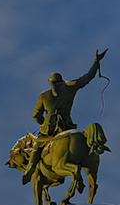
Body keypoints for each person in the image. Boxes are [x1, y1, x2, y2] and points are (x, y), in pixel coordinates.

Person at [22, 49, 107, 183]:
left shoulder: (44, 96)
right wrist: (96, 62)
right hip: (67, 125)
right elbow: (87, 77)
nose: (54, 86)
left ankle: (30, 169)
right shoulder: (69, 87)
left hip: (50, 128)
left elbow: (36, 115)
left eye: (54, 83)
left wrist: (43, 123)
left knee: (37, 145)